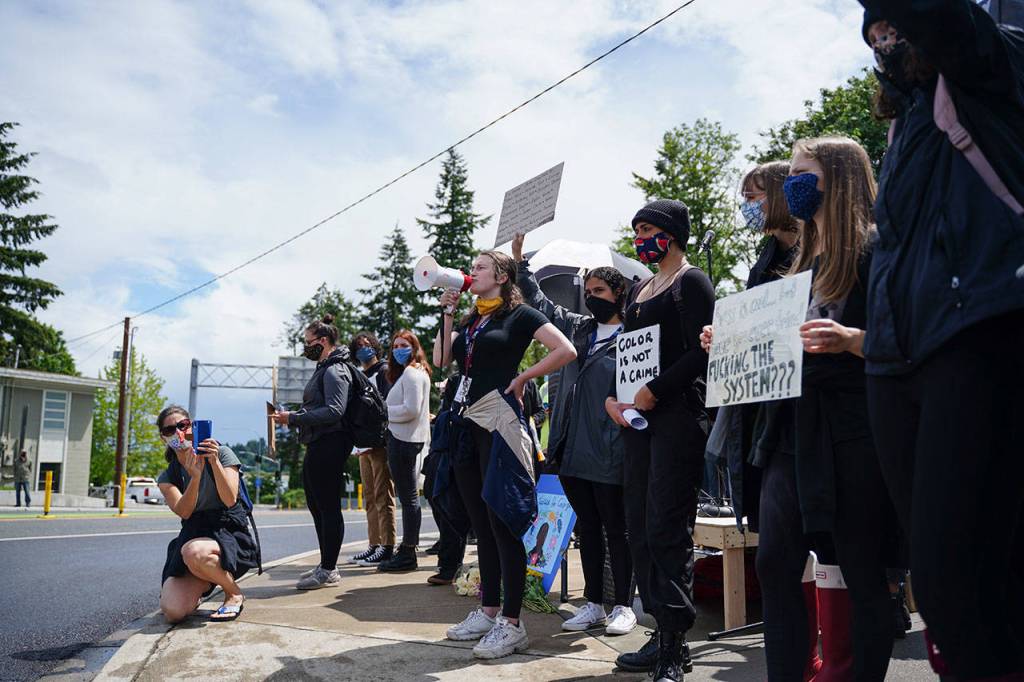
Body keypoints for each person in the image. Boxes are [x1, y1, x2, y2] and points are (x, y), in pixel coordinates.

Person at [860, 4, 1024, 678]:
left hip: (977, 332)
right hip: (897, 360)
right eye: (873, 37)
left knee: (960, 568)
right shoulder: (903, 124)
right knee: (943, 579)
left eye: (892, 26)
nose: (885, 41)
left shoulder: (992, 65)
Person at [784, 136, 895, 680]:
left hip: (860, 434)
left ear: (839, 177)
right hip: (807, 436)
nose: (791, 185)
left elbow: (907, 340)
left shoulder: (875, 250)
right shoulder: (804, 263)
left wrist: (851, 338)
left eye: (802, 173)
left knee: (865, 575)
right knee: (800, 565)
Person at [433, 249, 576, 660]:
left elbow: (566, 350)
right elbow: (443, 360)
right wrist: (448, 314)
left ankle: (512, 623)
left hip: (499, 422)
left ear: (501, 275)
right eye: (472, 267)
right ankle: (488, 608)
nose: (470, 272)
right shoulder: (473, 317)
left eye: (478, 267)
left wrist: (525, 377)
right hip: (466, 424)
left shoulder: (521, 315)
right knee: (480, 521)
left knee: (503, 522)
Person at [604, 199, 715, 681]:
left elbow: (701, 353)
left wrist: (655, 391)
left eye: (647, 228)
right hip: (638, 423)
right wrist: (617, 399)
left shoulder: (691, 282)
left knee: (669, 526)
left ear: (670, 233)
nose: (640, 238)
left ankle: (675, 644)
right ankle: (658, 628)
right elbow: (629, 356)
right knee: (640, 526)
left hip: (676, 418)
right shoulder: (640, 290)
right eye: (636, 230)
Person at [513, 231, 637, 637]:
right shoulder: (579, 330)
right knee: (587, 527)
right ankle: (594, 604)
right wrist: (520, 265)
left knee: (615, 528)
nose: (591, 297)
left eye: (599, 290)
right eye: (588, 291)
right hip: (570, 446)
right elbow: (542, 305)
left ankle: (623, 604)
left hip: (610, 447)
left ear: (619, 292)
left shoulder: (635, 338)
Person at [272, 314, 355, 590]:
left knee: (328, 507)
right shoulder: (325, 367)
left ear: (323, 341)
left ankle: (330, 569)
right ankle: (325, 564)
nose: (305, 348)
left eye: (308, 343)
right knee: (317, 505)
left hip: (330, 443)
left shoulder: (335, 369)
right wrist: (296, 415)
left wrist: (293, 418)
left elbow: (335, 410)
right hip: (319, 443)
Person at [156, 406, 257, 623]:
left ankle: (233, 592)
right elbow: (184, 511)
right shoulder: (168, 475)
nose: (178, 433)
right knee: (173, 611)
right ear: (163, 437)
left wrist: (214, 462)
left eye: (183, 425)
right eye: (169, 430)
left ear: (192, 427)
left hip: (226, 532)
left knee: (195, 552)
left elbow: (230, 499)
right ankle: (203, 579)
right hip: (193, 533)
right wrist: (194, 477)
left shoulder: (221, 453)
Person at [377, 330, 432, 572]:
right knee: (409, 499)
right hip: (407, 438)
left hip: (404, 439)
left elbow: (411, 409)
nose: (398, 349)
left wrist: (383, 412)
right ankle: (408, 548)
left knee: (408, 499)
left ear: (414, 347)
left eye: (403, 345)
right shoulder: (415, 372)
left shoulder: (411, 374)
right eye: (395, 345)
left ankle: (409, 551)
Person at [347, 331, 397, 568]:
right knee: (369, 496)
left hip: (380, 442)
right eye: (358, 347)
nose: (363, 350)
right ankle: (374, 544)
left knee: (382, 494)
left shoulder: (384, 372)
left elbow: (386, 406)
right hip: (363, 444)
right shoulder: (359, 374)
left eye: (367, 345)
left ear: (376, 347)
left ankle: (387, 546)